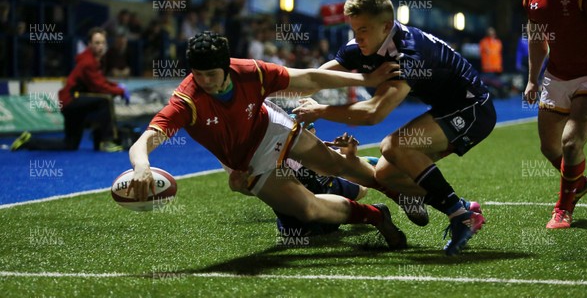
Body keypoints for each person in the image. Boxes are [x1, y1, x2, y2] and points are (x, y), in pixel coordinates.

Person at [127, 31, 407, 249]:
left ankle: (399, 193)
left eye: (211, 74)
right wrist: (141, 166)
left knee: (336, 164)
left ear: (226, 66)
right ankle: (376, 215)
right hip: (247, 162)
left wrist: (365, 78)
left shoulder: (250, 72)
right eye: (198, 75)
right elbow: (146, 140)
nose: (205, 82)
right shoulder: (187, 101)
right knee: (308, 211)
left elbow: (309, 77)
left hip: (270, 126)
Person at [293, 0, 493, 255]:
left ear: (386, 26)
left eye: (363, 29)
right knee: (386, 175)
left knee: (395, 146)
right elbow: (315, 78)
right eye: (354, 29)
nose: (357, 37)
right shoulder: (362, 46)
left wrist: (320, 110)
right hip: (447, 108)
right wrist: (265, 89)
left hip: (473, 109)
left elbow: (374, 113)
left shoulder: (409, 53)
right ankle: (464, 207)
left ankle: (460, 215)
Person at [522, 0, 587, 229]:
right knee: (549, 147)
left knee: (570, 143)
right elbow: (536, 37)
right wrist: (533, 79)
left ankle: (563, 208)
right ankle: (578, 183)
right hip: (557, 75)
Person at [229, 118, 372, 238]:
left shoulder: (318, 152)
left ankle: (366, 165)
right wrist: (240, 186)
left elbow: (345, 168)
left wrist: (349, 155)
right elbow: (257, 187)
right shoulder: (271, 159)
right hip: (297, 223)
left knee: (362, 188)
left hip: (326, 194)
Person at [11, 27, 129, 152]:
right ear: (89, 44)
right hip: (72, 100)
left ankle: (29, 141)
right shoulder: (88, 62)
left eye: (103, 43)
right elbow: (98, 86)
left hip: (72, 103)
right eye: (97, 43)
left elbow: (99, 81)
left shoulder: (94, 60)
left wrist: (117, 87)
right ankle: (107, 141)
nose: (100, 46)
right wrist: (120, 91)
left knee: (69, 145)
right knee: (104, 100)